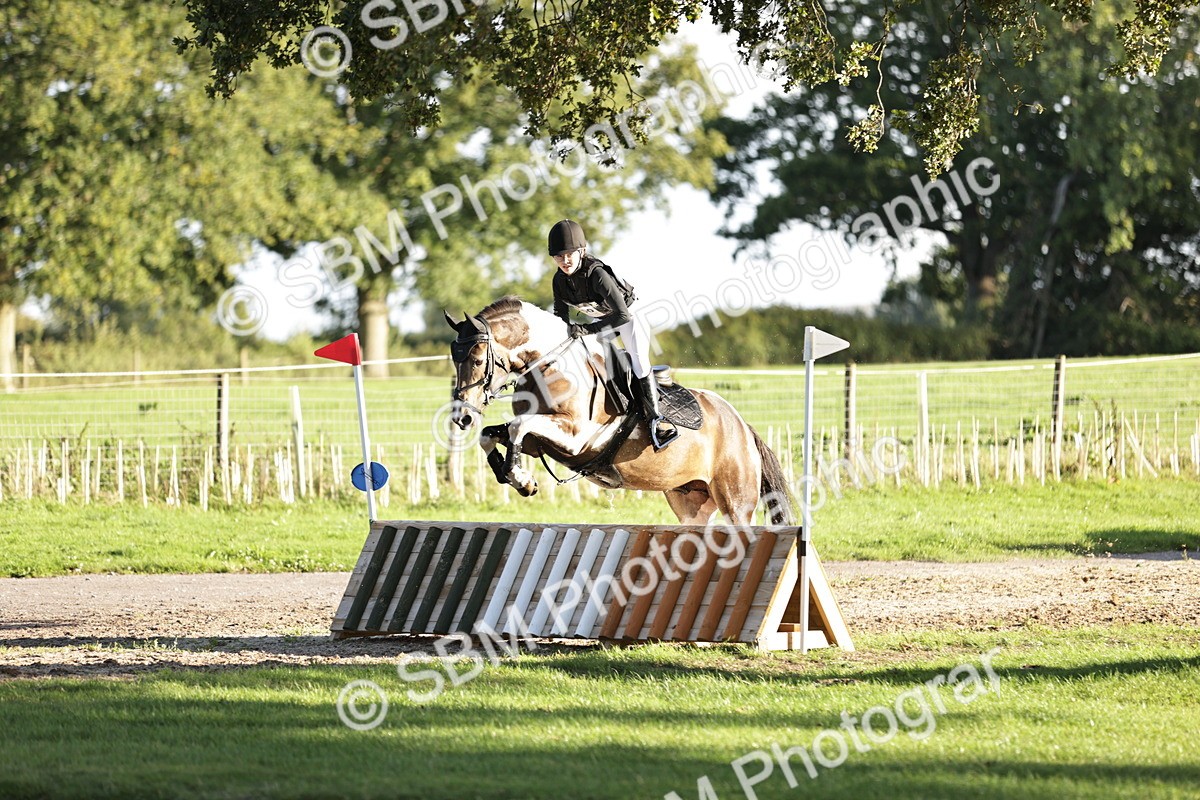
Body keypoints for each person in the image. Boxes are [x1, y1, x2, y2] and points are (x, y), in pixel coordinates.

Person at [548, 219, 678, 450]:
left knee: (638, 361)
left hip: (629, 316)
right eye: (559, 256)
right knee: (587, 360)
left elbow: (622, 316)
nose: (565, 261)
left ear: (582, 251)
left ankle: (656, 420)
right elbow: (560, 316)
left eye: (570, 254)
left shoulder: (597, 275)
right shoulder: (559, 281)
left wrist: (586, 330)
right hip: (602, 319)